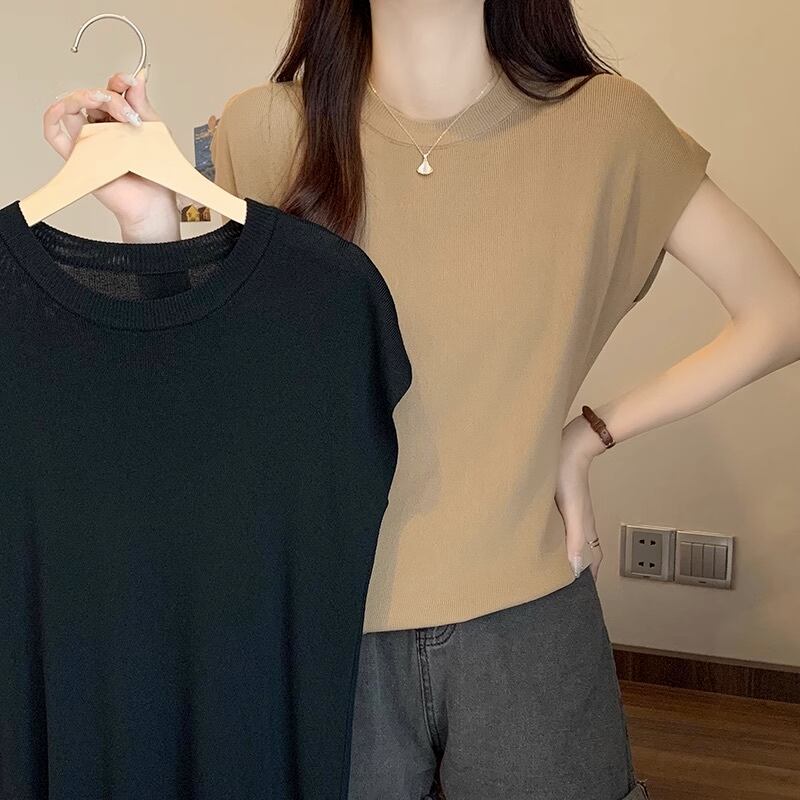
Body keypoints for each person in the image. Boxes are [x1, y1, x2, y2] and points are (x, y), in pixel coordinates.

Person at [43, 2, 800, 798]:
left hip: (530, 616)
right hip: (320, 629)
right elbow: (205, 394)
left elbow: (780, 315)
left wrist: (587, 436)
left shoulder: (609, 125)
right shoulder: (261, 130)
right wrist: (150, 225)